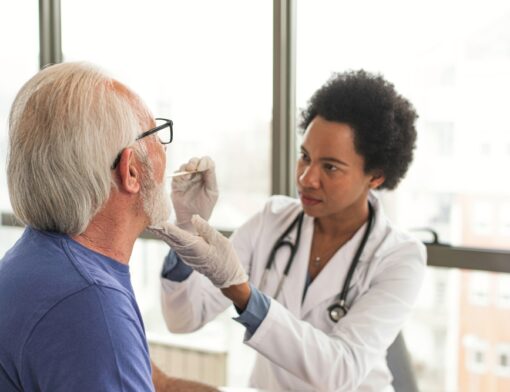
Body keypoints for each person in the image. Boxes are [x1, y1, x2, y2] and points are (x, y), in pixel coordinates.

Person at [150, 70, 427, 392]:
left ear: (375, 177)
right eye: (305, 157)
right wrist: (187, 228)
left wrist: (241, 292)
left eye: (330, 167)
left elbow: (340, 370)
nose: (307, 178)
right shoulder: (273, 221)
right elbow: (183, 319)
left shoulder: (400, 257)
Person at [0, 62, 217, 392]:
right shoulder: (89, 303)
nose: (165, 148)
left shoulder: (38, 259)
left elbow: (157, 382)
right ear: (129, 171)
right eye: (155, 134)